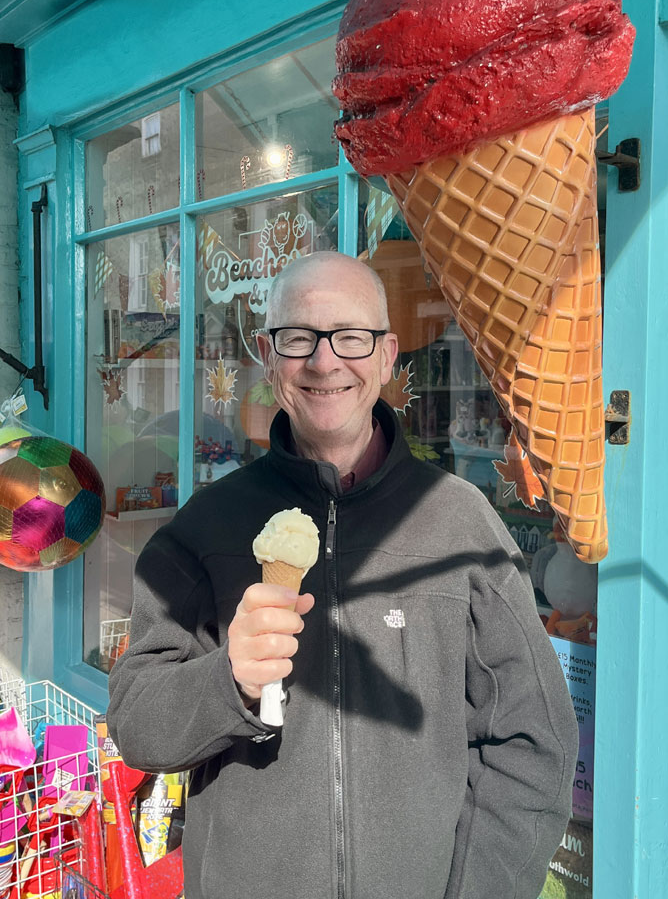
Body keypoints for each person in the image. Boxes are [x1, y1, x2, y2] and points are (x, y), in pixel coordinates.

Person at [107, 251, 578, 899]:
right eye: (298, 337)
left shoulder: (463, 528)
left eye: (351, 337)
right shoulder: (204, 529)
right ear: (268, 358)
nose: (325, 362)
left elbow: (534, 740)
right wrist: (229, 681)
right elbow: (136, 723)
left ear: (386, 357)